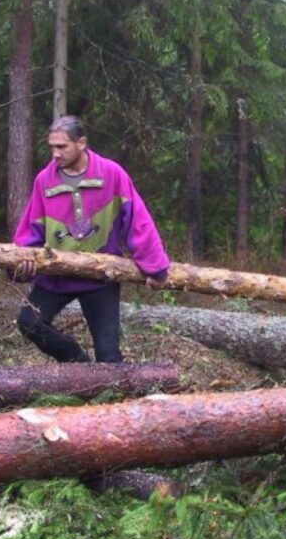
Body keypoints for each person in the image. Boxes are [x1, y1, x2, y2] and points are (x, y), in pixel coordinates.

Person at [13, 115, 170, 363]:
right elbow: (32, 227)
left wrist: (156, 268)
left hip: (100, 278)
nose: (55, 153)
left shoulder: (112, 174)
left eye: (61, 146)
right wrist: (22, 261)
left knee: (108, 355)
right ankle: (79, 364)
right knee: (29, 323)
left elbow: (137, 220)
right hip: (56, 278)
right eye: (51, 146)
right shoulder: (44, 180)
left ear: (81, 143)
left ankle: (116, 399)